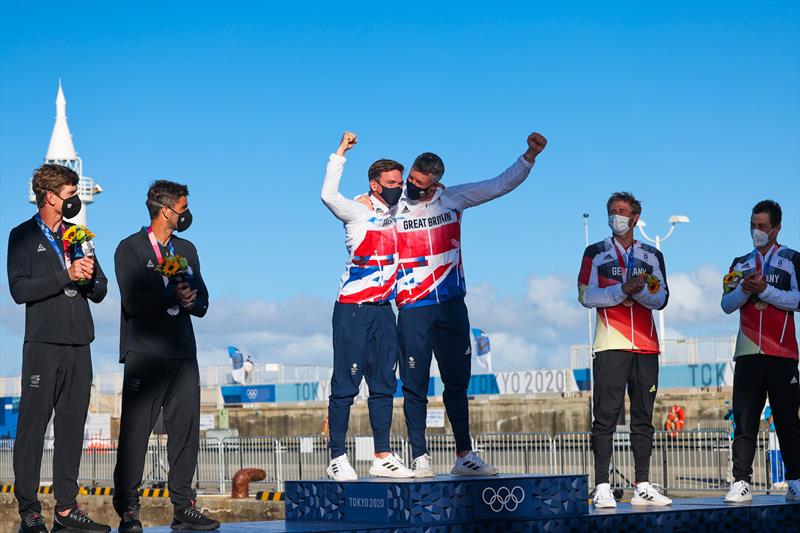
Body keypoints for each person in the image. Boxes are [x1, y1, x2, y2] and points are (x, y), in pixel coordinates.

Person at [396, 132, 547, 477]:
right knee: (414, 383)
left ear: (436, 183)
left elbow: (499, 185)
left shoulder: (453, 198)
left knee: (457, 382)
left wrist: (528, 157)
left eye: (420, 184)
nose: (413, 187)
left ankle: (464, 455)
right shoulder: (395, 205)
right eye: (411, 181)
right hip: (413, 305)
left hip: (450, 304)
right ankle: (420, 457)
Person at [7, 164, 110, 533]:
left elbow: (100, 291)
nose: (74, 201)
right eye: (69, 196)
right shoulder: (21, 236)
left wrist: (87, 276)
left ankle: (66, 510)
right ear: (50, 197)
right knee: (33, 429)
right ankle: (29, 511)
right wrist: (65, 274)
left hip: (79, 343)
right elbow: (20, 291)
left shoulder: (78, 235)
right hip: (42, 344)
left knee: (71, 428)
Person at [112, 180, 218, 532]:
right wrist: (172, 296)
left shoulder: (187, 248)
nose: (186, 215)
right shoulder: (129, 248)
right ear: (165, 210)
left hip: (183, 354)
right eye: (182, 208)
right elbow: (132, 303)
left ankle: (184, 506)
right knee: (135, 434)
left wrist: (192, 300)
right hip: (145, 354)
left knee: (186, 433)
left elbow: (202, 300)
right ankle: (128, 509)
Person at [320, 131, 413, 481]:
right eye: (391, 183)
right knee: (345, 384)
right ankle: (337, 456)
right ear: (375, 185)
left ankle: (382, 455)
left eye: (400, 183)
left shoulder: (403, 211)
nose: (397, 188)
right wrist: (340, 152)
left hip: (384, 311)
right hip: (353, 309)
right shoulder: (358, 211)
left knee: (384, 385)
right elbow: (328, 195)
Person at [578, 191, 672, 508]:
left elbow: (661, 298)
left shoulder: (651, 256)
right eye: (611, 210)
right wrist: (621, 290)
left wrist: (638, 292)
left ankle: (642, 484)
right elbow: (585, 296)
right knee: (605, 418)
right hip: (610, 344)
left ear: (634, 218)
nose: (615, 215)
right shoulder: (596, 252)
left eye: (621, 211)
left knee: (643, 419)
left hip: (646, 346)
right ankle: (602, 485)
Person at [721, 199, 799, 503]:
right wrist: (744, 290)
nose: (756, 231)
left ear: (776, 228)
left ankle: (795, 479)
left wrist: (764, 290)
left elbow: (797, 300)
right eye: (753, 226)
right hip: (748, 352)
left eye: (762, 227)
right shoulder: (740, 263)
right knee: (744, 419)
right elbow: (726, 305)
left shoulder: (793, 260)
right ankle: (740, 481)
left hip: (782, 352)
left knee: (787, 420)